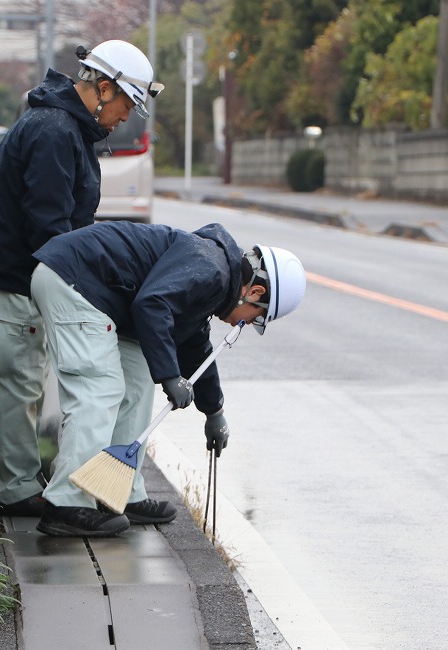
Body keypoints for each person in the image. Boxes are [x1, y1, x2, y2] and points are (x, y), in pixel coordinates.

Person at [0, 41, 163, 518]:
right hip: (6, 283)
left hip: (24, 282)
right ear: (103, 89)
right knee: (12, 389)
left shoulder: (65, 127)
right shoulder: (54, 130)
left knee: (26, 387)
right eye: (127, 105)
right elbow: (50, 228)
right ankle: (21, 495)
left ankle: (38, 489)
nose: (126, 118)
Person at [28, 221, 307, 536]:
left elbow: (195, 345)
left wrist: (213, 411)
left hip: (102, 293)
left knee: (137, 387)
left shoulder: (214, 276)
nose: (244, 324)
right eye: (256, 317)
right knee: (100, 388)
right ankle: (65, 503)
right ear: (255, 292)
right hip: (74, 281)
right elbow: (152, 304)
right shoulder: (211, 269)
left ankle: (116, 493)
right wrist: (170, 376)